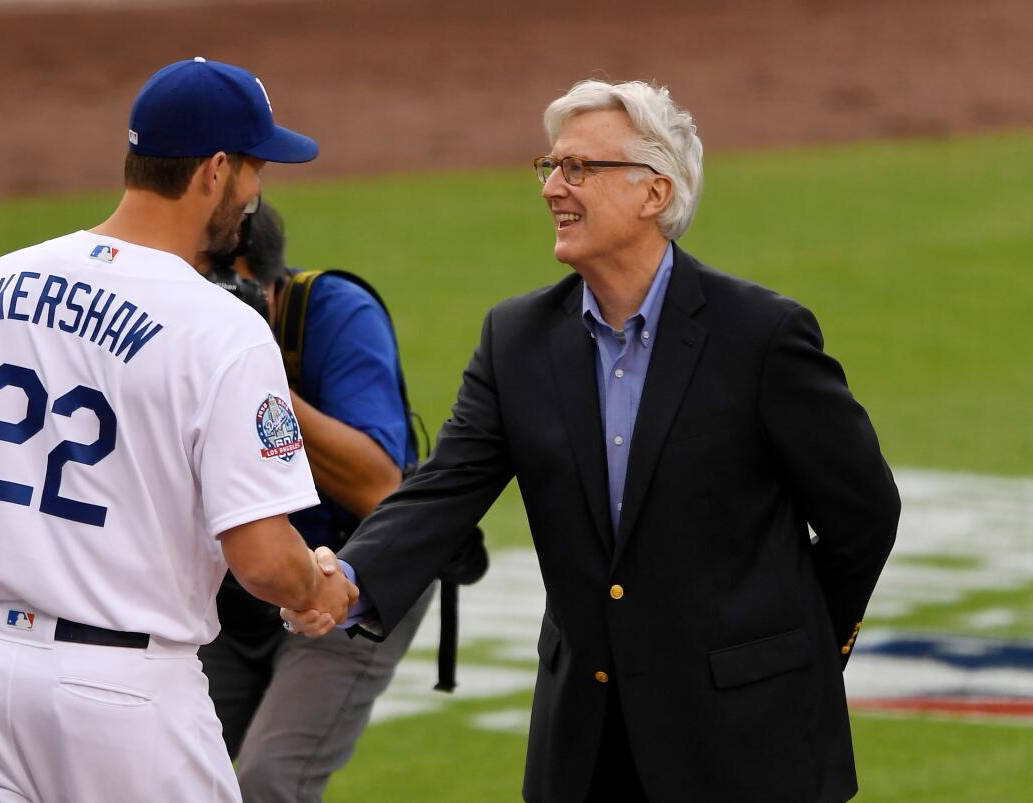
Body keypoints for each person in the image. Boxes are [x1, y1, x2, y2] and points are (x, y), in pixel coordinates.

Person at [290, 80, 902, 802]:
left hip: (747, 746)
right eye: (550, 166)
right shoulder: (515, 339)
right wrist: (349, 578)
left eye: (579, 167)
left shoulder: (762, 337)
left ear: (654, 192)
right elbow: (443, 490)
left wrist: (797, 650)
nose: (553, 187)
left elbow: (864, 513)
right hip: (586, 749)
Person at [0, 58, 357, 802]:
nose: (256, 193)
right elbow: (263, 560)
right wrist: (317, 587)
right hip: (122, 699)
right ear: (215, 170)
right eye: (254, 169)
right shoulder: (222, 327)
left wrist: (16, 549)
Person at [194, 200, 435, 801]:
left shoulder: (334, 314)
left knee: (272, 780)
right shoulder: (168, 330)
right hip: (232, 584)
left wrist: (257, 374)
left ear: (264, 286)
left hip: (347, 580)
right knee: (168, 773)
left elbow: (378, 487)